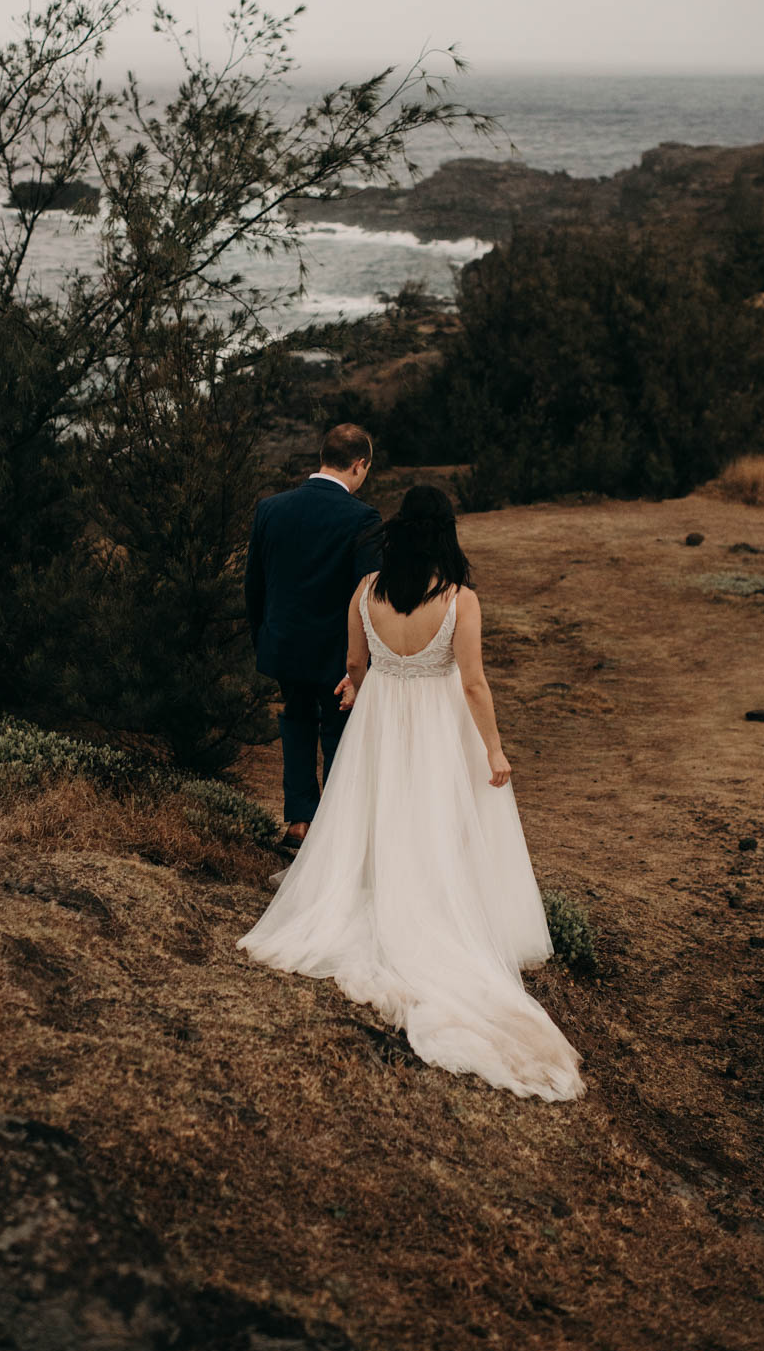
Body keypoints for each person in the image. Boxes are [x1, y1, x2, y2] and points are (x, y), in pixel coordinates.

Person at [239, 484, 584, 1103]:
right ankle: (429, 898)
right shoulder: (459, 600)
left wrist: (354, 688)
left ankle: (381, 890)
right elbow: (473, 683)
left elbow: (355, 664)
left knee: (377, 809)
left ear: (397, 533)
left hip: (379, 719)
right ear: (445, 535)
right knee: (435, 814)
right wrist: (495, 749)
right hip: (435, 725)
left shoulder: (365, 591)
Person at [245, 423, 381, 846]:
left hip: (284, 644)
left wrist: (264, 640)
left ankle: (300, 821)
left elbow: (254, 585)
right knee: (339, 733)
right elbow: (368, 595)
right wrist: (365, 662)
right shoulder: (363, 518)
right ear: (358, 465)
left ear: (324, 457)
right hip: (338, 652)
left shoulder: (270, 508)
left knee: (296, 721)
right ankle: (334, 832)